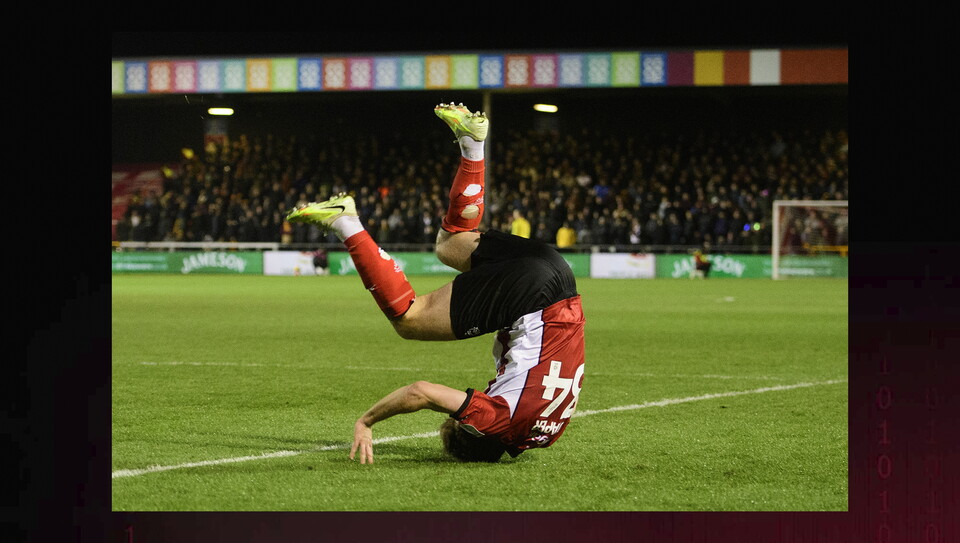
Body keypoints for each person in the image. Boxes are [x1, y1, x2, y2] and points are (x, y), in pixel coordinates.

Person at [287, 103, 585, 464]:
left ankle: (473, 146)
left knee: (451, 243)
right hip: (534, 298)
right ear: (471, 430)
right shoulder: (494, 423)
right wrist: (367, 421)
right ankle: (344, 222)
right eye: (456, 421)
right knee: (410, 320)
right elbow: (421, 392)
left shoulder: (540, 437)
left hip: (559, 274)